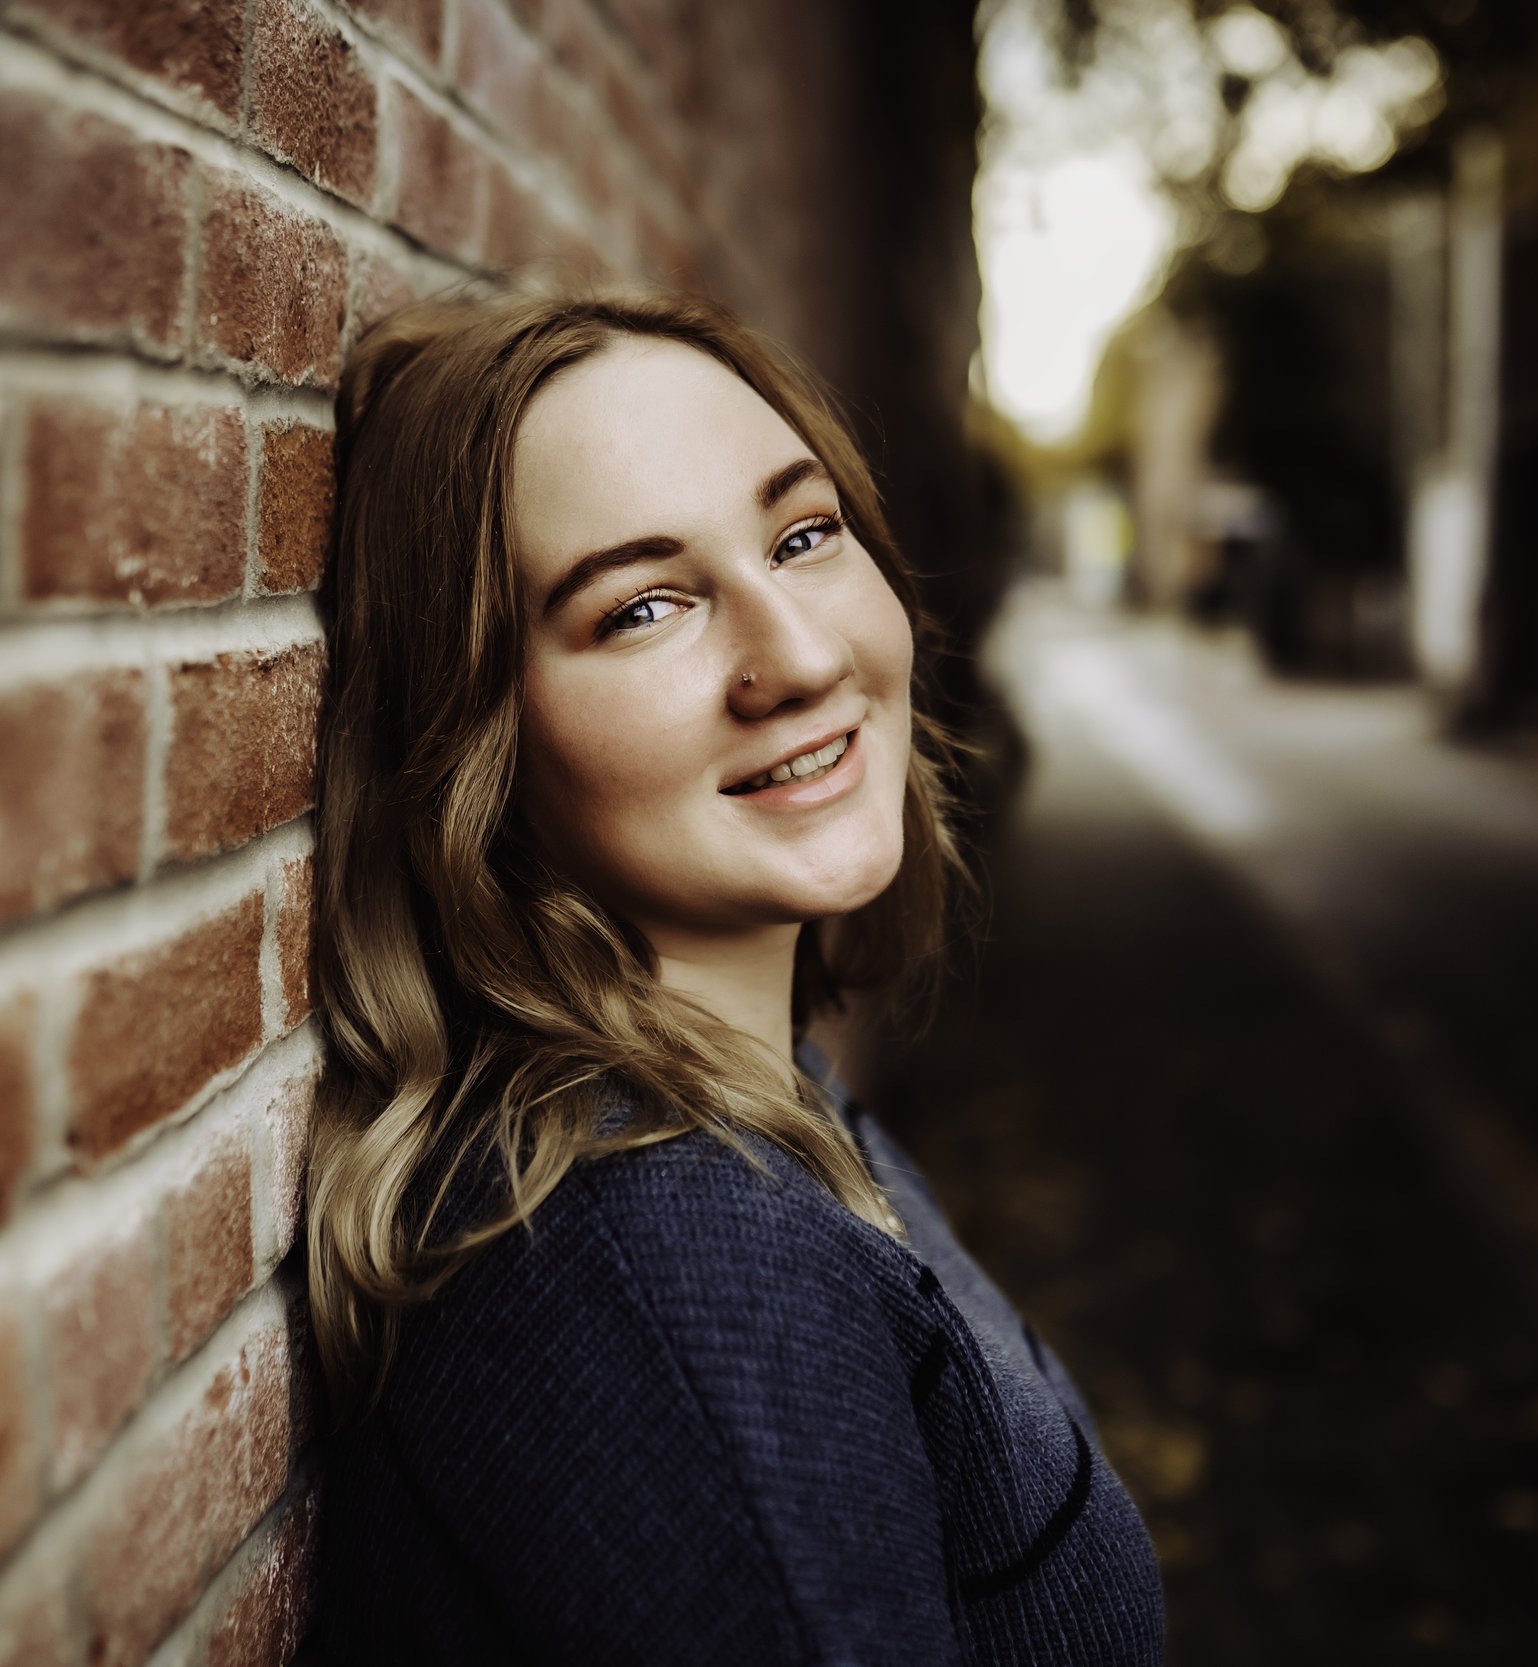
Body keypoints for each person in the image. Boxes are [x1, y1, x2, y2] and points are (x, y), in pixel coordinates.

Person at [300, 280, 1164, 1664]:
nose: (803, 657)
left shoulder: (759, 1104)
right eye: (642, 609)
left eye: (804, 534)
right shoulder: (671, 1265)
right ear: (476, 734)